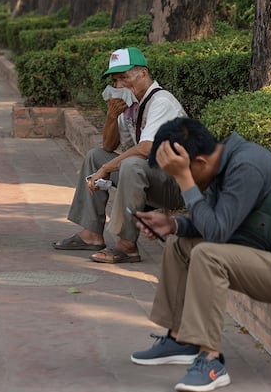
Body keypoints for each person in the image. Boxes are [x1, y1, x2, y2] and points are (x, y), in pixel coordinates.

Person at [129, 117, 271, 392]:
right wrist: (174, 225)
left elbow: (217, 232)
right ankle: (180, 338)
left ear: (200, 163)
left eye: (178, 173)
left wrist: (184, 181)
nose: (177, 180)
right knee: (179, 246)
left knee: (208, 255)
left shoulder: (246, 166)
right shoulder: (224, 164)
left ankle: (211, 361)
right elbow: (220, 221)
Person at [53, 47, 187, 264]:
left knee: (131, 165)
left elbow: (146, 148)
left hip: (176, 184)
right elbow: (108, 145)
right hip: (151, 177)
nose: (120, 85)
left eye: (124, 77)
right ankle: (92, 234)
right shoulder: (133, 105)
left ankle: (127, 245)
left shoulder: (161, 102)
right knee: (96, 156)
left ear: (143, 73)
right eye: (116, 80)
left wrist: (106, 169)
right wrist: (112, 116)